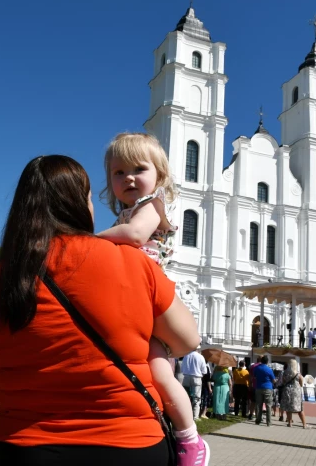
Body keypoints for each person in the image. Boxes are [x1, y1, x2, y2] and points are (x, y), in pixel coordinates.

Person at [0, 155, 203, 466]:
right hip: (130, 443)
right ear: (80, 203)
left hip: (28, 446)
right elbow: (187, 340)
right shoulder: (131, 262)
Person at [97, 132, 201, 440]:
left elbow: (136, 236)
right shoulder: (126, 213)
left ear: (160, 176)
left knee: (159, 370)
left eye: (138, 169)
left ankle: (189, 437)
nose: (128, 177)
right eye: (119, 172)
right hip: (133, 295)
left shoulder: (151, 204)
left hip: (150, 298)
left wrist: (86, 239)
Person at [181, 349, 208, 422]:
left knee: (186, 397)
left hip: (186, 377)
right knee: (196, 398)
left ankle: (185, 414)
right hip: (196, 377)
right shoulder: (200, 357)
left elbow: (182, 368)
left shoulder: (186, 356)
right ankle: (195, 416)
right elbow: (204, 371)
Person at [281, 359, 308, 429]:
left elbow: (283, 381)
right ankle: (304, 424)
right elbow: (301, 383)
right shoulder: (298, 374)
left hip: (287, 391)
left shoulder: (285, 373)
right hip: (296, 392)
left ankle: (289, 423)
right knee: (299, 408)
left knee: (289, 408)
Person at [253, 356, 276, 426]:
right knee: (268, 405)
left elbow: (254, 376)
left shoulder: (256, 368)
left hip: (259, 387)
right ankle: (268, 422)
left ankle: (258, 420)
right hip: (268, 388)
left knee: (258, 405)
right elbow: (273, 380)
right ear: (267, 362)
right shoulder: (269, 369)